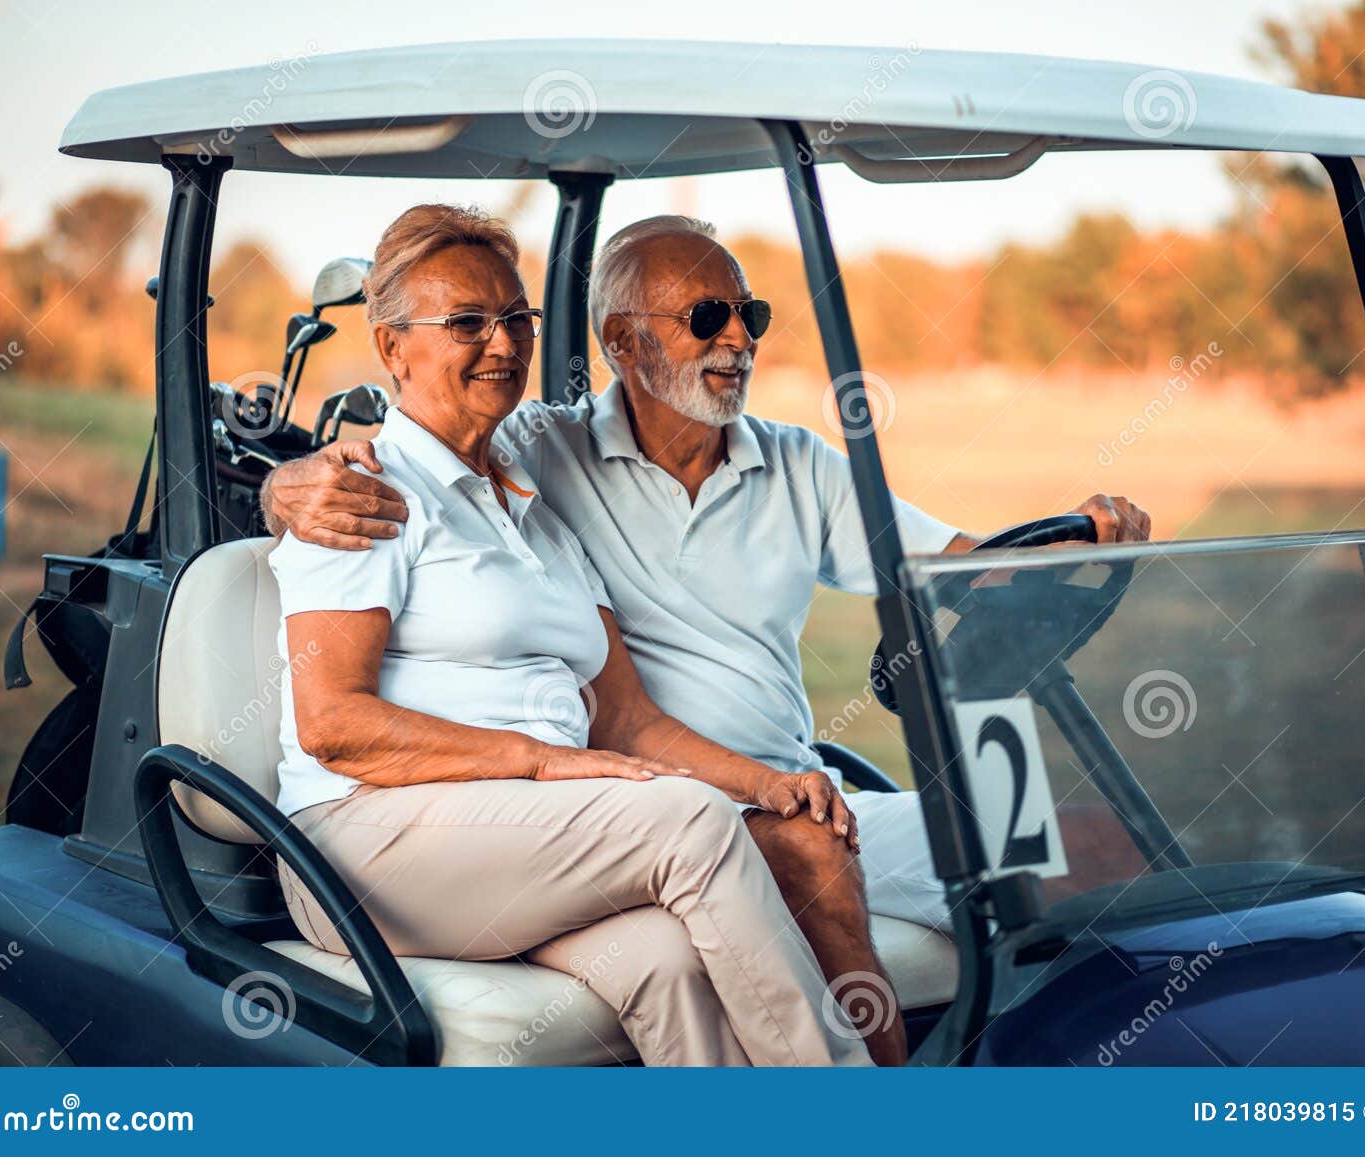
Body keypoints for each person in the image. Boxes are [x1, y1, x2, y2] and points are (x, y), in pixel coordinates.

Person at [264, 214, 1151, 1065]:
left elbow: (955, 572)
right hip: (631, 809)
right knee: (772, 840)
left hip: (695, 791)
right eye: (705, 317)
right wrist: (288, 486)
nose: (738, 338)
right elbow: (381, 492)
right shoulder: (541, 453)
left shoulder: (540, 502)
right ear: (622, 342)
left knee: (1080, 840)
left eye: (748, 314)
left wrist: (1082, 543)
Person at [270, 202, 870, 1068]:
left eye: (517, 318)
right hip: (363, 844)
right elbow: (334, 725)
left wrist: (769, 784)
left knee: (666, 961)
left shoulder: (534, 510)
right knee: (692, 822)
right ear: (394, 347)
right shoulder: (365, 495)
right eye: (468, 322)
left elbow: (626, 722)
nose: (504, 344)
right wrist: (546, 759)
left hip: (518, 837)